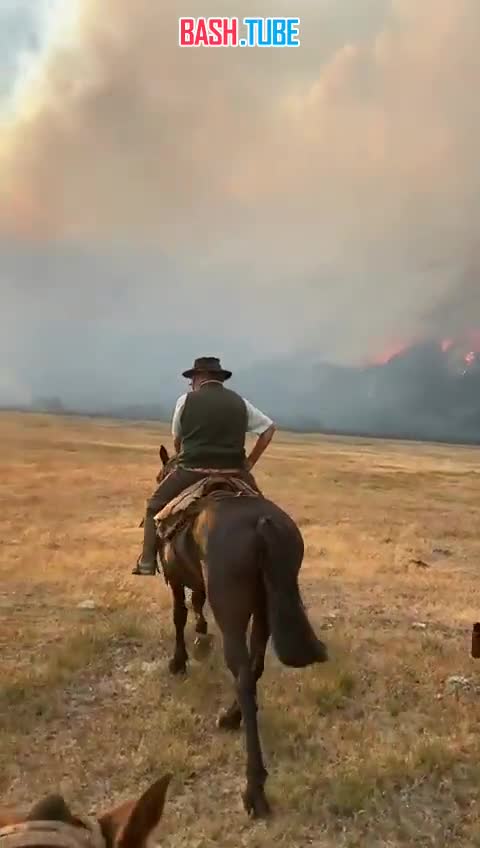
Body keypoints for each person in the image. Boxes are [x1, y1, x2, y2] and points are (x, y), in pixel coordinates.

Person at [133, 356, 276, 575]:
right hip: (235, 472)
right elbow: (268, 429)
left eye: (192, 379)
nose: (191, 384)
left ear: (200, 377)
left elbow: (177, 439)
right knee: (264, 512)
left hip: (192, 471)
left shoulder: (186, 401)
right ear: (219, 378)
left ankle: (147, 561)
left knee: (154, 506)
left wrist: (184, 453)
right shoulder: (240, 402)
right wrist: (249, 463)